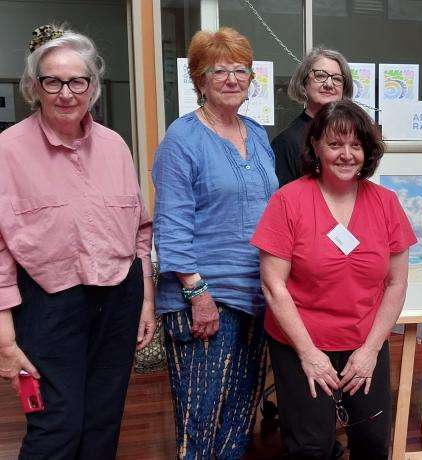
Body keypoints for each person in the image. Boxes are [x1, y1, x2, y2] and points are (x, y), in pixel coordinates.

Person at [0, 25, 154, 458]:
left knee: (104, 421)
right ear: (34, 87)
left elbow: (140, 230)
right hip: (48, 303)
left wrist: (144, 300)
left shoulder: (114, 146)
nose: (66, 92)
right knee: (57, 424)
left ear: (92, 87)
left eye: (77, 81)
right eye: (53, 80)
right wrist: (5, 341)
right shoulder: (7, 150)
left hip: (118, 297)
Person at [251, 100, 416, 459]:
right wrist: (309, 354)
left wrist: (371, 350)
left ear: (367, 151)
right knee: (311, 446)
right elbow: (273, 286)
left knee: (372, 440)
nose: (346, 154)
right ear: (315, 147)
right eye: (335, 144)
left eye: (355, 145)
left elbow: (396, 283)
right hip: (301, 343)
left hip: (364, 342)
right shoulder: (288, 201)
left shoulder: (386, 203)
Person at [152, 27, 277, 459]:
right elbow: (170, 224)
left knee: (240, 418)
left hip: (255, 295)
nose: (230, 79)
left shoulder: (257, 135)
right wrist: (197, 292)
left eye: (239, 70)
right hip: (204, 297)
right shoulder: (182, 140)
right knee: (200, 422)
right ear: (199, 80)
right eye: (218, 71)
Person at [271, 47, 353, 186]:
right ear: (304, 83)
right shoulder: (287, 142)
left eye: (337, 79)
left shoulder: (352, 133)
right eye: (320, 76)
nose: (329, 84)